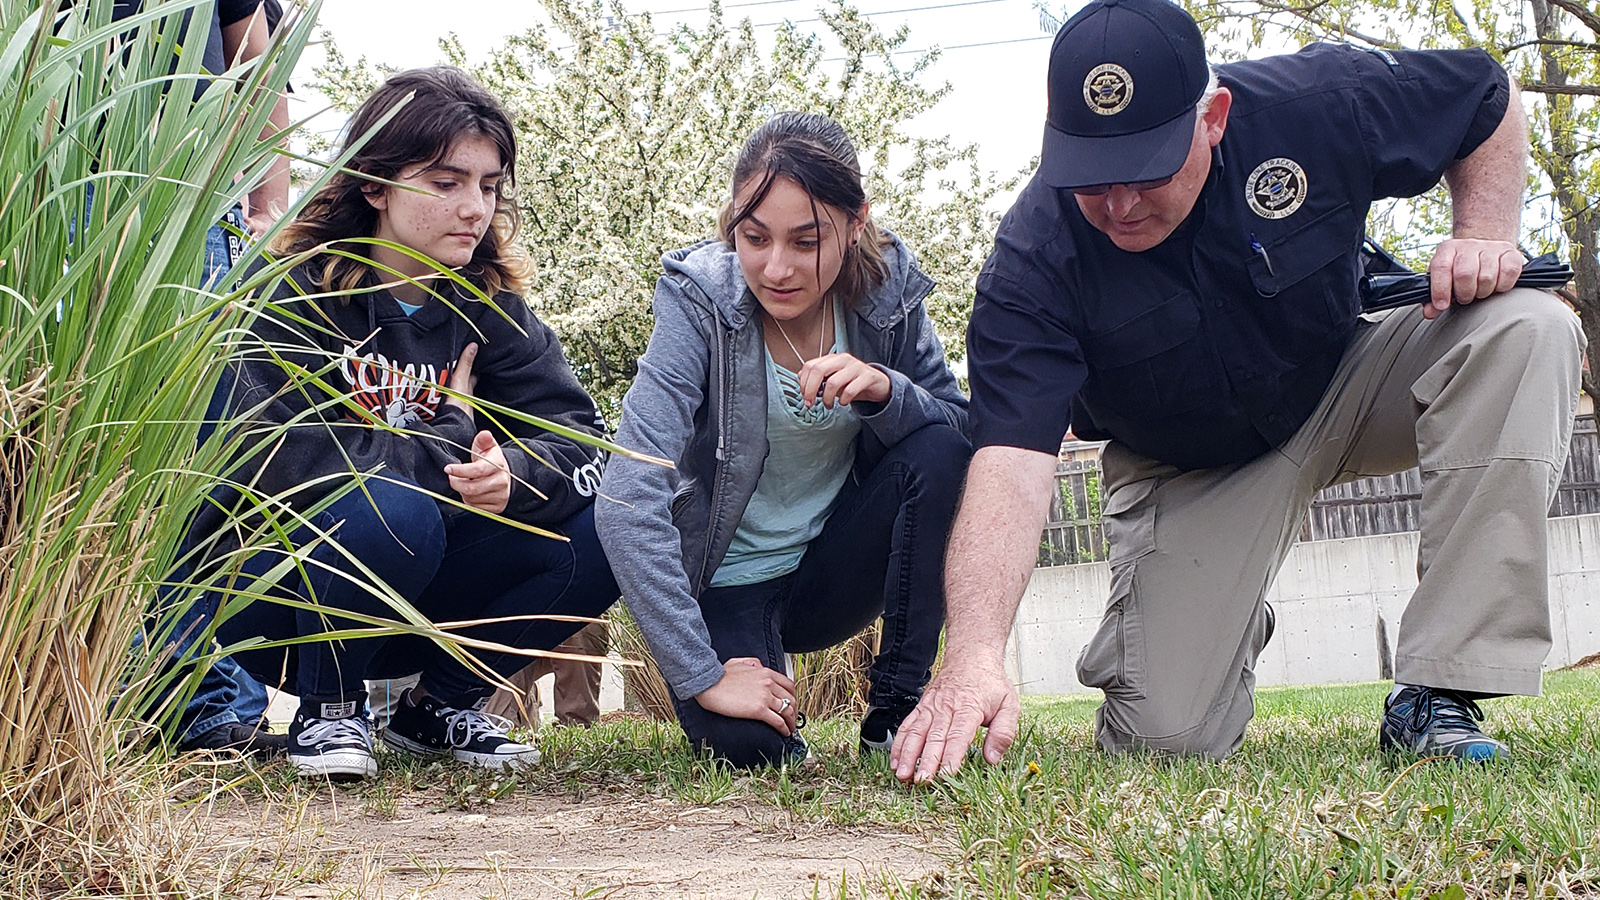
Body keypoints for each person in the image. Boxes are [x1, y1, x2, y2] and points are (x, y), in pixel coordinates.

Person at [891, 0, 1584, 781]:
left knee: (1527, 327)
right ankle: (1216, 611)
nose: (1119, 206)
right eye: (1092, 176)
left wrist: (1484, 231)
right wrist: (976, 653)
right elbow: (1012, 466)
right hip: (1188, 468)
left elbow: (1485, 97)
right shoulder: (1032, 261)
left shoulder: (1316, 104)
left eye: (1147, 168)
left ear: (1213, 117)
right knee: (1166, 741)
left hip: (1344, 376)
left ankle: (1439, 690)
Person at [192, 66, 618, 780]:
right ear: (375, 184)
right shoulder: (291, 292)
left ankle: (439, 706)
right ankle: (328, 713)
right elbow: (272, 458)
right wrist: (451, 431)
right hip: (275, 603)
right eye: (446, 183)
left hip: (420, 603)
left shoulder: (491, 312)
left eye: (488, 186)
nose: (474, 209)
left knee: (617, 523)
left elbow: (584, 440)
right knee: (396, 509)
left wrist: (515, 474)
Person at [596, 112, 971, 768]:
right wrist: (702, 677)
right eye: (755, 237)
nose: (777, 268)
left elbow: (963, 433)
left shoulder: (887, 294)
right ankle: (744, 697)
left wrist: (886, 389)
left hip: (831, 570)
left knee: (937, 448)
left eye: (807, 241)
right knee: (751, 751)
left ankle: (896, 708)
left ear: (855, 226)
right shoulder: (697, 303)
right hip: (727, 581)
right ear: (732, 227)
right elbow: (625, 500)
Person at [100, 0, 294, 757]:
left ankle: (214, 702)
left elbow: (259, 58)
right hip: (59, 193)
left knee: (200, 465)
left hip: (186, 199)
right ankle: (98, 695)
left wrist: (270, 202)